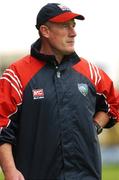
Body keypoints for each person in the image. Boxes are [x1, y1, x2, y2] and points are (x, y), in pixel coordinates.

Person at [0, 3, 119, 180]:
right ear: (45, 31)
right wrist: (10, 170)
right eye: (65, 26)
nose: (73, 33)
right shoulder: (16, 74)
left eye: (73, 26)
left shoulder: (91, 72)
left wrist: (94, 126)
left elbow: (113, 104)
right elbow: (2, 127)